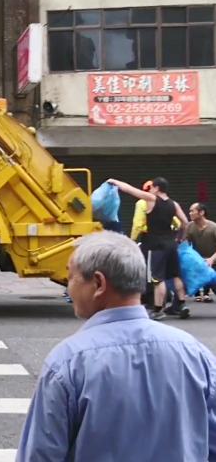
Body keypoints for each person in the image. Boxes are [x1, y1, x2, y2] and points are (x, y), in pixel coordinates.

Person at [15, 231, 216, 462]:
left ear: (99, 283)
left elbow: (41, 455)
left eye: (71, 278)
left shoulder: (68, 362)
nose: (68, 289)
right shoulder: (194, 353)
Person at [108, 177, 190, 320]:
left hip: (155, 244)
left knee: (157, 278)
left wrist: (115, 182)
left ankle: (158, 310)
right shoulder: (173, 204)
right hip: (171, 243)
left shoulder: (151, 199)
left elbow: (130, 190)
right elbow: (185, 222)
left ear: (157, 188)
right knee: (175, 275)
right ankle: (182, 304)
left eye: (151, 187)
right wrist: (179, 237)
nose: (150, 190)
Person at [187, 202, 216, 302]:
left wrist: (211, 259)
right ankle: (197, 292)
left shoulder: (213, 227)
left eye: (192, 211)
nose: (190, 213)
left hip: (213, 259)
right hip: (197, 261)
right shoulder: (190, 226)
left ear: (201, 212)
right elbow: (185, 244)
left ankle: (207, 293)